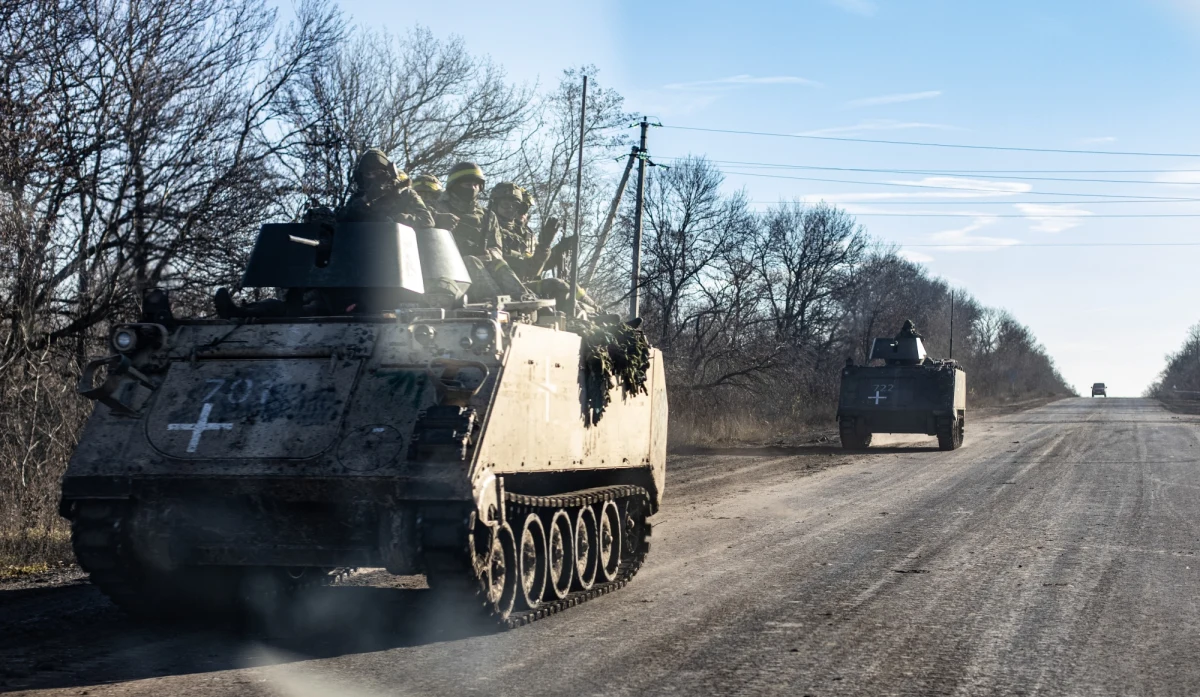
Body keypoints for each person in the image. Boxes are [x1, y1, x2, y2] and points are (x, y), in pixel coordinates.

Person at [338, 148, 434, 229]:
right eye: (367, 174)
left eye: (376, 173)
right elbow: (340, 220)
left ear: (387, 172)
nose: (371, 177)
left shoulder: (405, 194)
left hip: (398, 248)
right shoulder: (358, 199)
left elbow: (427, 220)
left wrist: (399, 220)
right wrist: (366, 199)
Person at [432, 162, 503, 258]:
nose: (473, 188)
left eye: (476, 185)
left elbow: (496, 248)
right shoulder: (436, 208)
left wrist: (488, 253)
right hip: (446, 262)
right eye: (468, 185)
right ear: (454, 186)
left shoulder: (488, 216)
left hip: (483, 265)